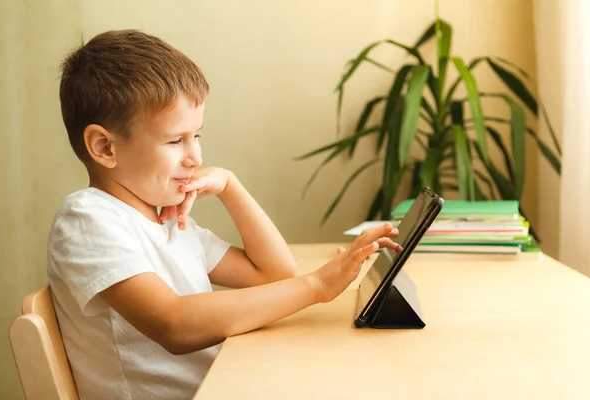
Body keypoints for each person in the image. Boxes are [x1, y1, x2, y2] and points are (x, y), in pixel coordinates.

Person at [47, 29, 400, 399]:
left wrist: (231, 187)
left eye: (196, 136)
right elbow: (174, 324)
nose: (195, 157)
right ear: (104, 146)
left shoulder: (167, 218)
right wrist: (317, 286)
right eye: (174, 140)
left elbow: (274, 275)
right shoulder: (88, 220)